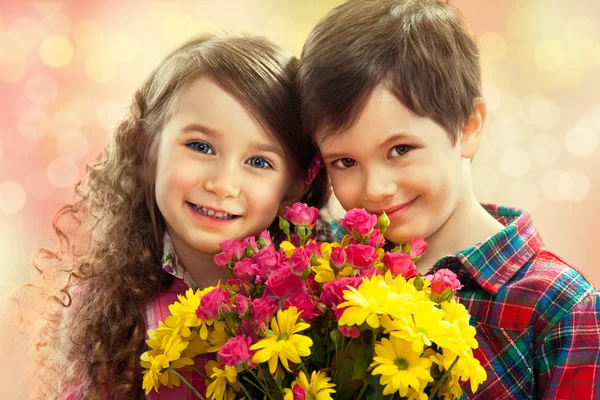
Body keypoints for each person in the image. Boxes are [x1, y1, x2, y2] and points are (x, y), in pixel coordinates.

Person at [297, 0, 600, 398]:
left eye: (400, 149)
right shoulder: (324, 265)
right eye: (346, 160)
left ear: (469, 126)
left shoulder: (560, 308)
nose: (375, 189)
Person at [18, 32, 329, 399]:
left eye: (259, 162)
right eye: (201, 146)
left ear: (294, 185)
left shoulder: (315, 294)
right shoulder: (107, 311)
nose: (223, 184)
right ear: (146, 149)